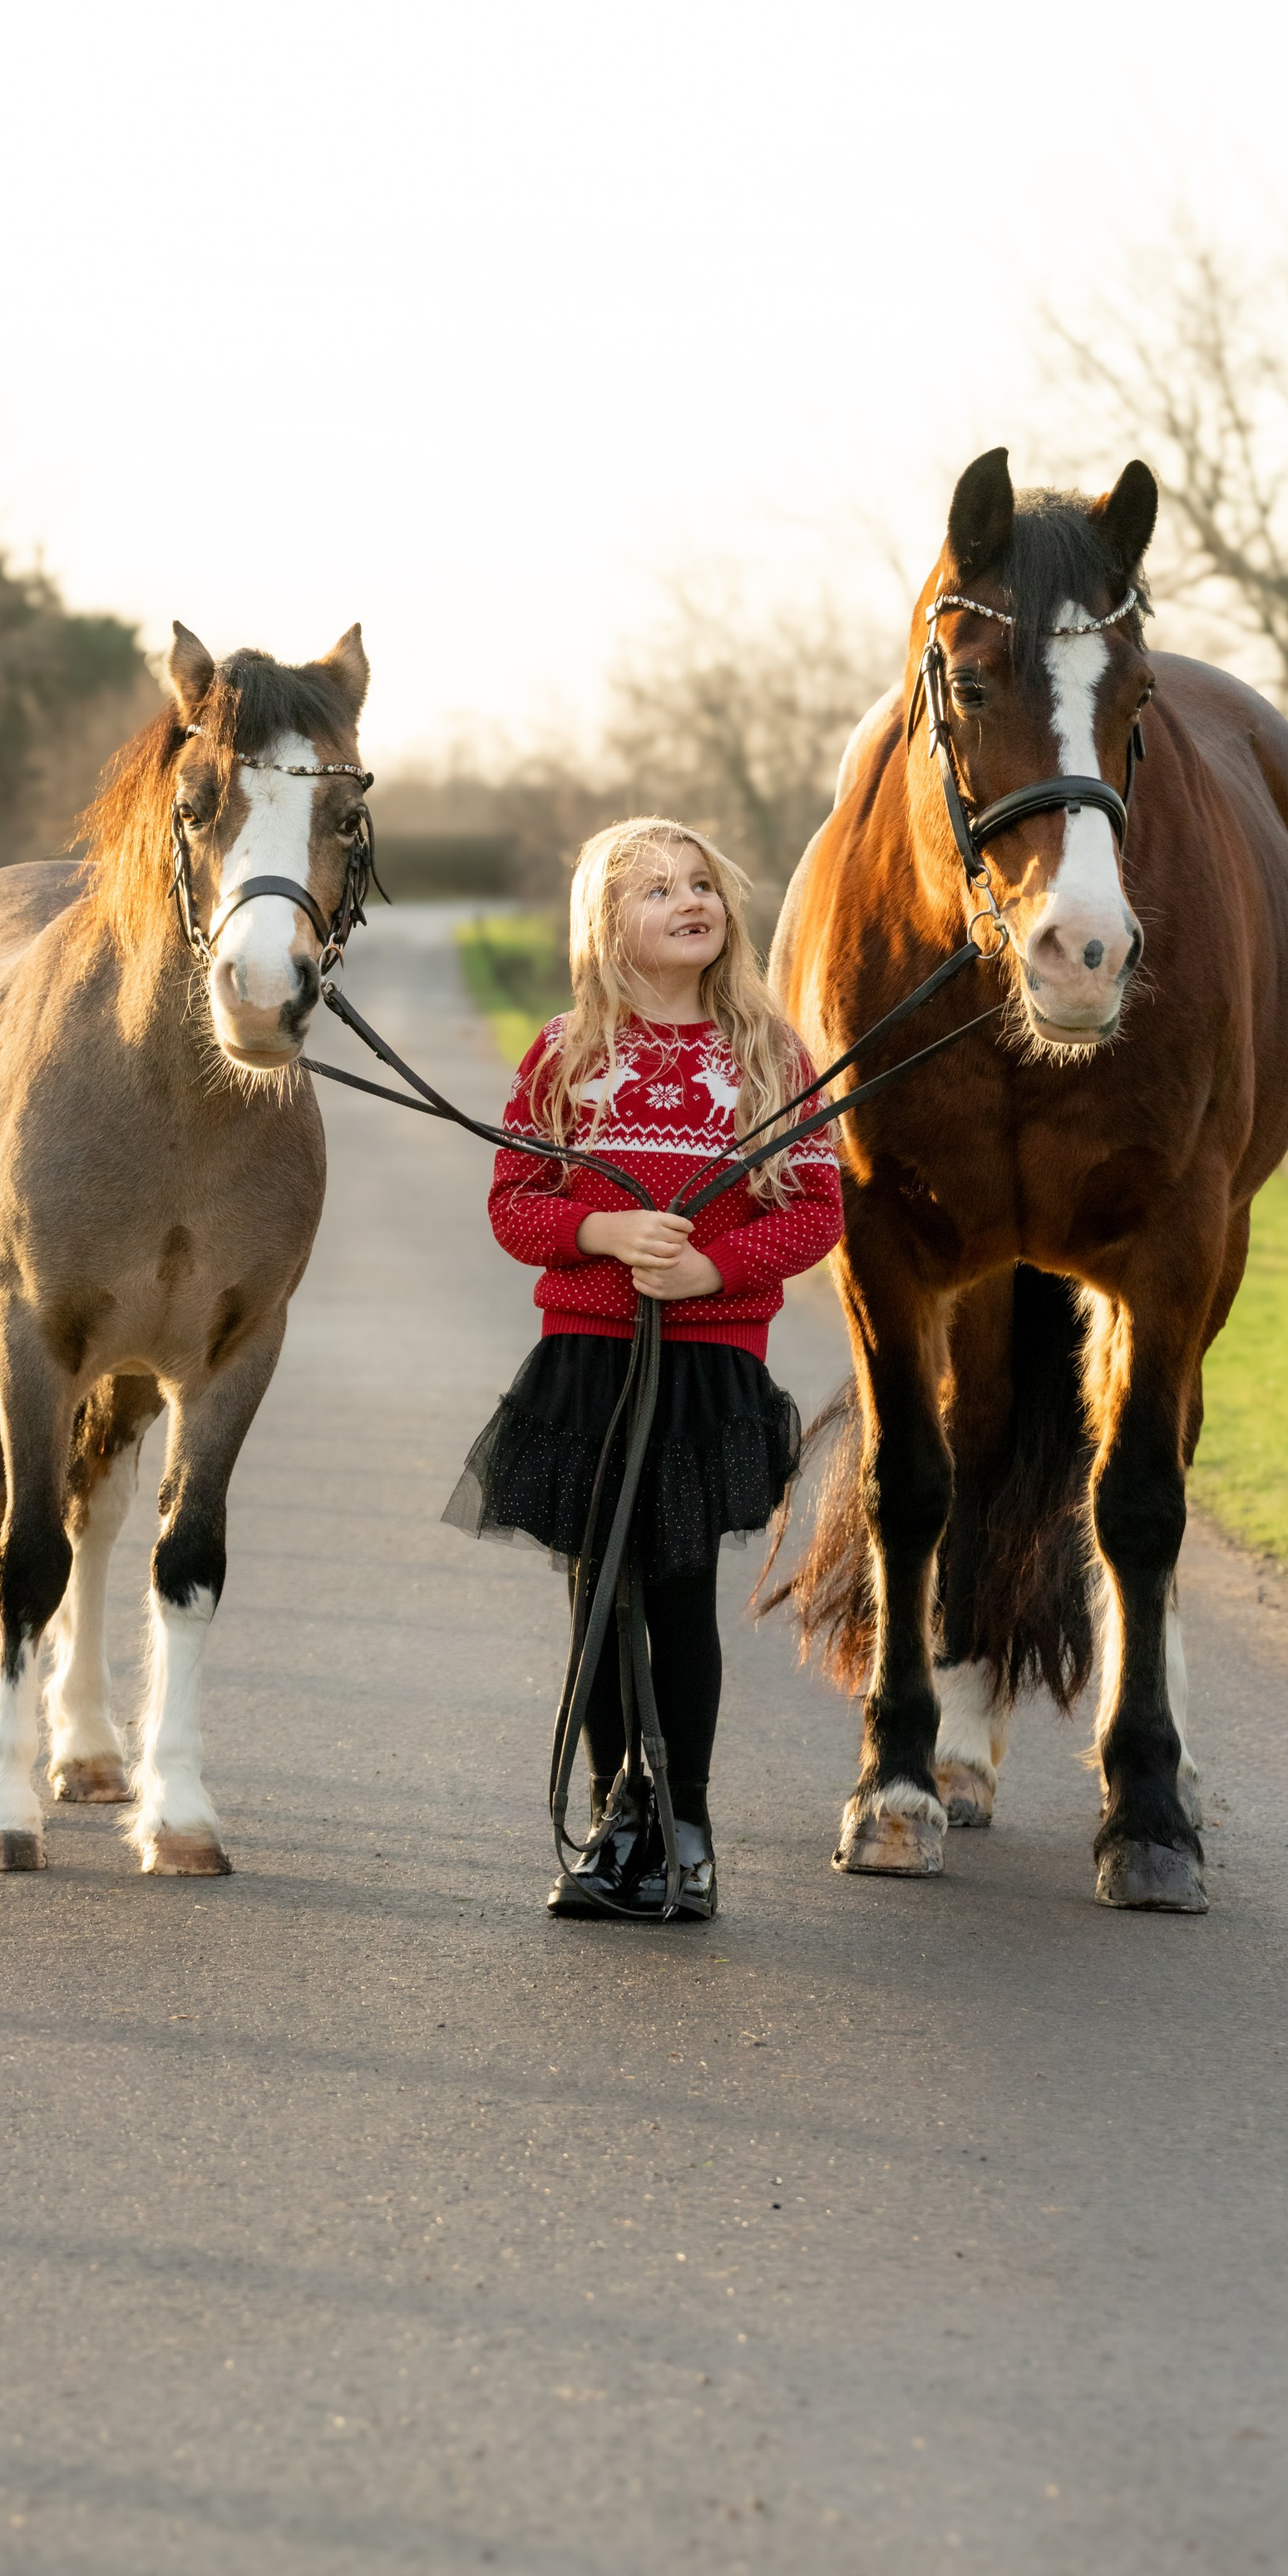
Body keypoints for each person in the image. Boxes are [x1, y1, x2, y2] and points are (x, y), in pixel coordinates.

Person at [444, 817, 843, 1922]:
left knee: (676, 1591)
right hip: (588, 1362)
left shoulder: (770, 1054)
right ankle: (613, 1822)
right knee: (598, 1597)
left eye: (700, 883)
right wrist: (602, 1235)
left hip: (706, 1367)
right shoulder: (566, 1052)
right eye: (656, 889)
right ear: (605, 924)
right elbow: (516, 1206)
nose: (688, 901)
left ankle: (685, 1829)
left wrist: (714, 1266)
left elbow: (816, 1209)